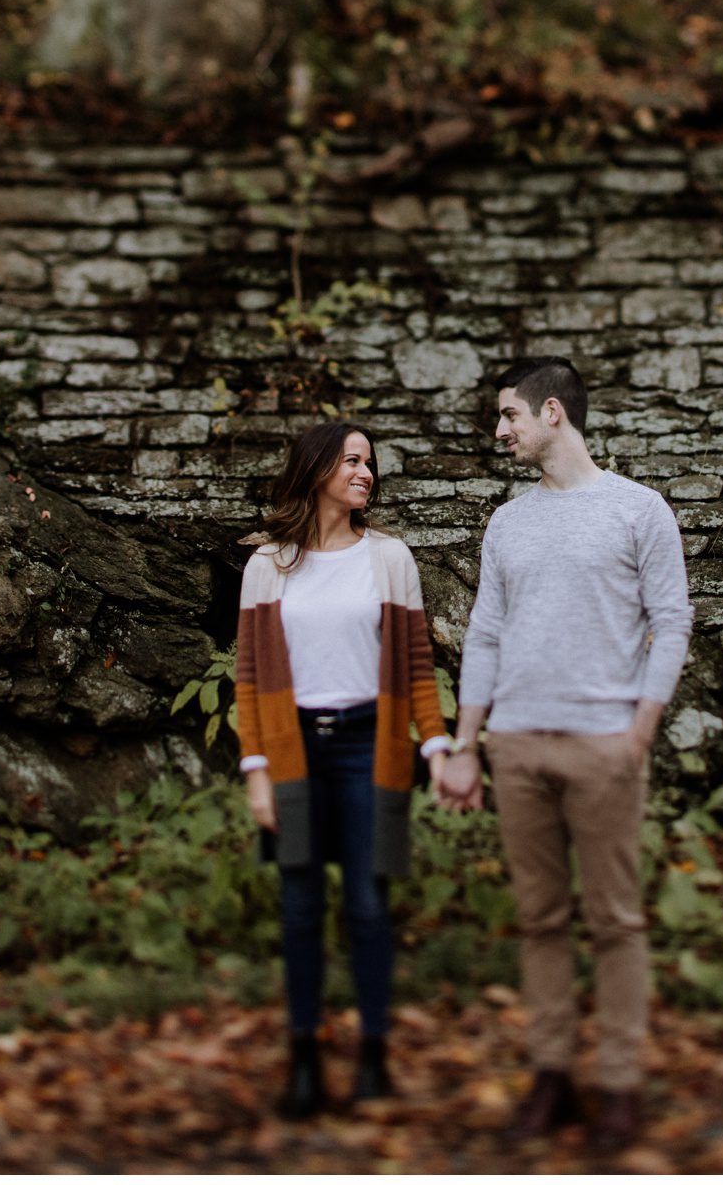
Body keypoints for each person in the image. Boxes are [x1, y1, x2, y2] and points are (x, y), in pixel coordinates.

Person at [436, 356, 694, 1154]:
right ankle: (552, 1077)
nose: (499, 430)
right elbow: (484, 634)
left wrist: (640, 731)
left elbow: (673, 621)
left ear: (553, 412)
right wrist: (467, 745)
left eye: (508, 415)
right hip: (517, 746)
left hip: (604, 747)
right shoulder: (507, 521)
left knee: (615, 921)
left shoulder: (637, 510)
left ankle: (616, 1083)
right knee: (541, 920)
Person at [233, 421, 452, 1120]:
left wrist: (437, 746)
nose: (366, 472)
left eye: (370, 463)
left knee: (367, 905)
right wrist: (257, 770)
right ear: (319, 468)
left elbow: (417, 665)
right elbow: (247, 678)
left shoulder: (390, 559)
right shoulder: (268, 567)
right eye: (352, 460)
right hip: (295, 748)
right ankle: (302, 1058)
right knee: (300, 910)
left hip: (367, 749)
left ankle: (374, 1056)